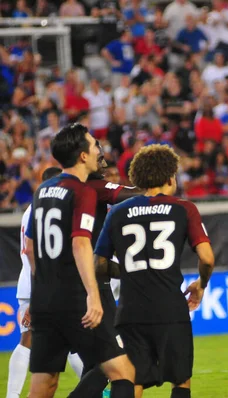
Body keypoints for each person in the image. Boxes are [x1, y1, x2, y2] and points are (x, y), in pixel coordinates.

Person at [94, 144, 215, 398]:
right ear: (171, 175)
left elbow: (99, 265)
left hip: (130, 311)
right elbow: (206, 258)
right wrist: (201, 285)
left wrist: (126, 271)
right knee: (180, 380)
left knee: (133, 381)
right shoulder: (184, 208)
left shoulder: (117, 212)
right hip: (171, 308)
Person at [23, 123, 135, 398]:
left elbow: (32, 249)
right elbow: (80, 243)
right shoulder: (83, 190)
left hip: (45, 299)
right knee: (124, 373)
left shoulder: (43, 190)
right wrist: (93, 295)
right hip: (75, 297)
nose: (99, 149)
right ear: (83, 155)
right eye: (94, 144)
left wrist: (39, 292)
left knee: (44, 384)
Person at [69, 148, 145, 398]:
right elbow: (131, 194)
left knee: (96, 363)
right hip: (91, 288)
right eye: (99, 157)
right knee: (118, 362)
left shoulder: (60, 190)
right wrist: (154, 184)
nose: (104, 163)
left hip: (65, 286)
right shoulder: (94, 186)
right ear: (82, 157)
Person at [6, 167, 85, 398]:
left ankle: (97, 390)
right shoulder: (46, 208)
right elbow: (38, 252)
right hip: (43, 283)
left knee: (67, 343)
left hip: (35, 283)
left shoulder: (32, 209)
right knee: (31, 340)